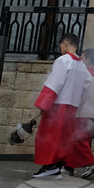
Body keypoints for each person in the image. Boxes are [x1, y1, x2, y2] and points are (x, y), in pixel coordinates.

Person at [31, 33, 89, 179]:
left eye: (61, 46)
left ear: (65, 43)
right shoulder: (82, 66)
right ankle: (56, 166)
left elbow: (54, 84)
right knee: (63, 138)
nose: (60, 49)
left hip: (58, 106)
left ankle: (49, 166)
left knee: (48, 136)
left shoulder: (63, 61)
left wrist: (43, 104)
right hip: (72, 108)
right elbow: (86, 87)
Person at [70, 48, 94, 178]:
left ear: (88, 60)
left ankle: (91, 164)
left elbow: (77, 93)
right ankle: (69, 165)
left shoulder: (85, 75)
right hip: (89, 113)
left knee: (79, 141)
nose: (80, 60)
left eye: (82, 58)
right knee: (77, 140)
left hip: (81, 112)